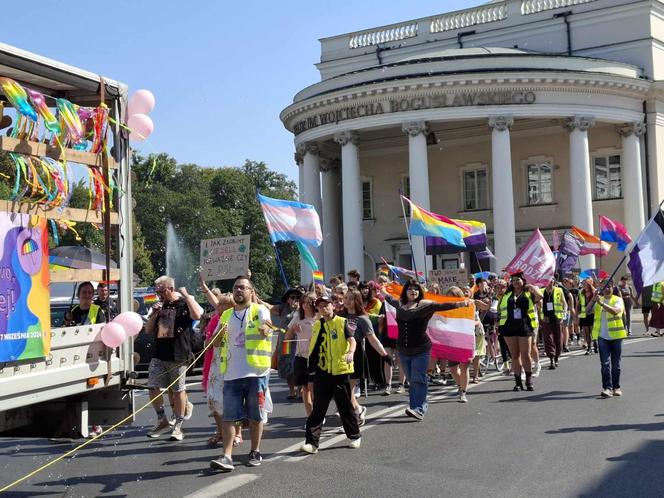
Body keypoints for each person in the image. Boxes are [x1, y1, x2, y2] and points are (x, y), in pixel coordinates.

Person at [383, 279, 471, 420]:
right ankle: (414, 407)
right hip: (403, 350)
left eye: (416, 289)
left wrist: (462, 303)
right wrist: (381, 289)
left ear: (420, 292)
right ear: (405, 291)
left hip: (421, 349)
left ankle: (419, 408)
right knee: (412, 380)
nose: (413, 291)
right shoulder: (400, 304)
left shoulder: (425, 305)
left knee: (419, 378)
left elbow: (443, 305)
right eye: (410, 288)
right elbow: (389, 299)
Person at [210, 276, 272, 472]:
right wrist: (218, 336)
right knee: (229, 417)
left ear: (250, 292)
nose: (239, 291)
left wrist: (265, 328)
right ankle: (226, 456)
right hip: (231, 375)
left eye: (243, 288)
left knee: (255, 416)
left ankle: (255, 451)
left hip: (255, 373)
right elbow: (214, 343)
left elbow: (270, 325)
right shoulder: (226, 315)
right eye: (236, 287)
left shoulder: (258, 310)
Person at [300, 295, 361, 454]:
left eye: (326, 305)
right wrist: (310, 371)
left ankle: (355, 436)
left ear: (333, 306)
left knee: (345, 406)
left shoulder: (343, 322)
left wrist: (350, 352)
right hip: (323, 371)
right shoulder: (317, 325)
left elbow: (352, 340)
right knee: (318, 408)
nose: (324, 309)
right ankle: (312, 443)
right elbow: (313, 349)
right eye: (320, 307)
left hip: (340, 371)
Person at [144, 276, 203, 441]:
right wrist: (154, 314)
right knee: (152, 386)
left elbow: (198, 315)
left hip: (178, 353)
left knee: (177, 391)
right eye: (157, 292)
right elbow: (148, 330)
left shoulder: (184, 303)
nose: (159, 295)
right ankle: (162, 419)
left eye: (161, 291)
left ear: (170, 288)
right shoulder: (160, 305)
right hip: (159, 353)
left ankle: (178, 425)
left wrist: (187, 296)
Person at [342, 289, 391, 424]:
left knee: (347, 390)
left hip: (355, 355)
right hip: (339, 355)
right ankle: (357, 410)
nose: (347, 301)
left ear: (357, 301)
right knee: (342, 390)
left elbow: (373, 339)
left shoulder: (363, 319)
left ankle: (354, 415)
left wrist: (384, 355)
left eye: (350, 298)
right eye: (345, 298)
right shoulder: (339, 316)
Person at [497, 272, 543, 392]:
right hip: (508, 327)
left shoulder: (528, 293)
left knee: (525, 355)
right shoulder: (507, 294)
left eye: (518, 279)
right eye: (513, 280)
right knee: (515, 356)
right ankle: (518, 382)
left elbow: (540, 296)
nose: (516, 282)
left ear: (523, 280)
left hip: (524, 326)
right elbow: (500, 310)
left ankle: (528, 380)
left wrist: (532, 287)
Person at [589, 279, 627, 397]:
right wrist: (592, 300)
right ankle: (607, 388)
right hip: (602, 337)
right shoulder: (597, 300)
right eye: (604, 287)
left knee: (616, 365)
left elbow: (616, 311)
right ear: (601, 287)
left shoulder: (618, 300)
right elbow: (587, 310)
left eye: (609, 287)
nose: (606, 289)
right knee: (604, 364)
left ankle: (617, 387)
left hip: (616, 337)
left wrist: (601, 304)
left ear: (613, 287)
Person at [285, 292, 318, 418]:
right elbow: (287, 336)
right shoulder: (298, 317)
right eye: (303, 302)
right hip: (301, 357)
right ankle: (310, 416)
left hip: (316, 357)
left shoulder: (319, 317)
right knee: (305, 388)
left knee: (312, 386)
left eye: (308, 303)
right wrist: (294, 330)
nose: (305, 305)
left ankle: (318, 412)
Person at [271, 288, 303, 400]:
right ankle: (292, 391)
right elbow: (267, 306)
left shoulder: (304, 308)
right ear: (288, 299)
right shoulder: (283, 308)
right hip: (285, 342)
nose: (295, 300)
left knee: (299, 366)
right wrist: (253, 294)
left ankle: (300, 391)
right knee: (287, 366)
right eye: (292, 297)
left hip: (299, 342)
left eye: (298, 298)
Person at [540, 278, 567, 370]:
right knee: (548, 339)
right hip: (546, 319)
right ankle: (551, 358)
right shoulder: (541, 291)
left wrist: (564, 314)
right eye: (548, 280)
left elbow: (564, 303)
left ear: (554, 281)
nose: (550, 282)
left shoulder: (559, 290)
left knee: (558, 338)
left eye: (551, 280)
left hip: (557, 318)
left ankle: (556, 357)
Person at [578, 279, 597, 355]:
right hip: (584, 314)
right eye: (583, 283)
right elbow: (578, 303)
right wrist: (577, 313)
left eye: (585, 283)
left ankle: (595, 343)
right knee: (586, 332)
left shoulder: (594, 291)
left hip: (592, 313)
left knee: (593, 331)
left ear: (589, 284)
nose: (584, 285)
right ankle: (589, 347)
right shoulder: (581, 292)